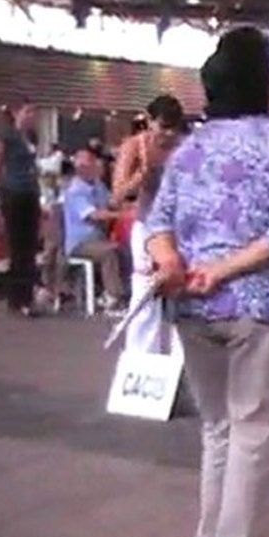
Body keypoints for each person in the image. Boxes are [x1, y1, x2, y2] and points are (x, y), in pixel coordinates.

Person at [146, 26, 269, 537]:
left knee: (216, 426)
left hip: (190, 308)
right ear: (266, 83)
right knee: (252, 430)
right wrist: (222, 270)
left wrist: (173, 264)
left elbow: (157, 223)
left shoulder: (190, 146)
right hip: (255, 307)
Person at [111, 94, 188, 351]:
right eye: (163, 127)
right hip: (147, 225)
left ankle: (183, 361)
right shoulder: (135, 146)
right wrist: (141, 176)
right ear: (149, 121)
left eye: (173, 128)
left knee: (182, 291)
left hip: (180, 227)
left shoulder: (186, 146)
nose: (168, 134)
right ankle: (142, 357)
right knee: (146, 290)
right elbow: (118, 195)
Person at [0, 99, 42, 316]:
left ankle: (27, 299)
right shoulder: (7, 136)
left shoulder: (31, 136)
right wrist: (2, 191)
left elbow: (33, 163)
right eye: (28, 112)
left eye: (34, 113)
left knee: (30, 247)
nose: (31, 116)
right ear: (16, 113)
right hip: (14, 193)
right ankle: (17, 298)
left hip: (31, 192)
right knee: (17, 246)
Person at [63, 148, 126, 311]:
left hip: (98, 238)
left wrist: (131, 206)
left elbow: (111, 203)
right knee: (109, 253)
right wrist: (120, 215)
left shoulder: (98, 185)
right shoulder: (75, 190)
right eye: (81, 165)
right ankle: (114, 298)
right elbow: (94, 215)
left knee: (125, 248)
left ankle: (127, 291)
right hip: (80, 243)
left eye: (89, 163)